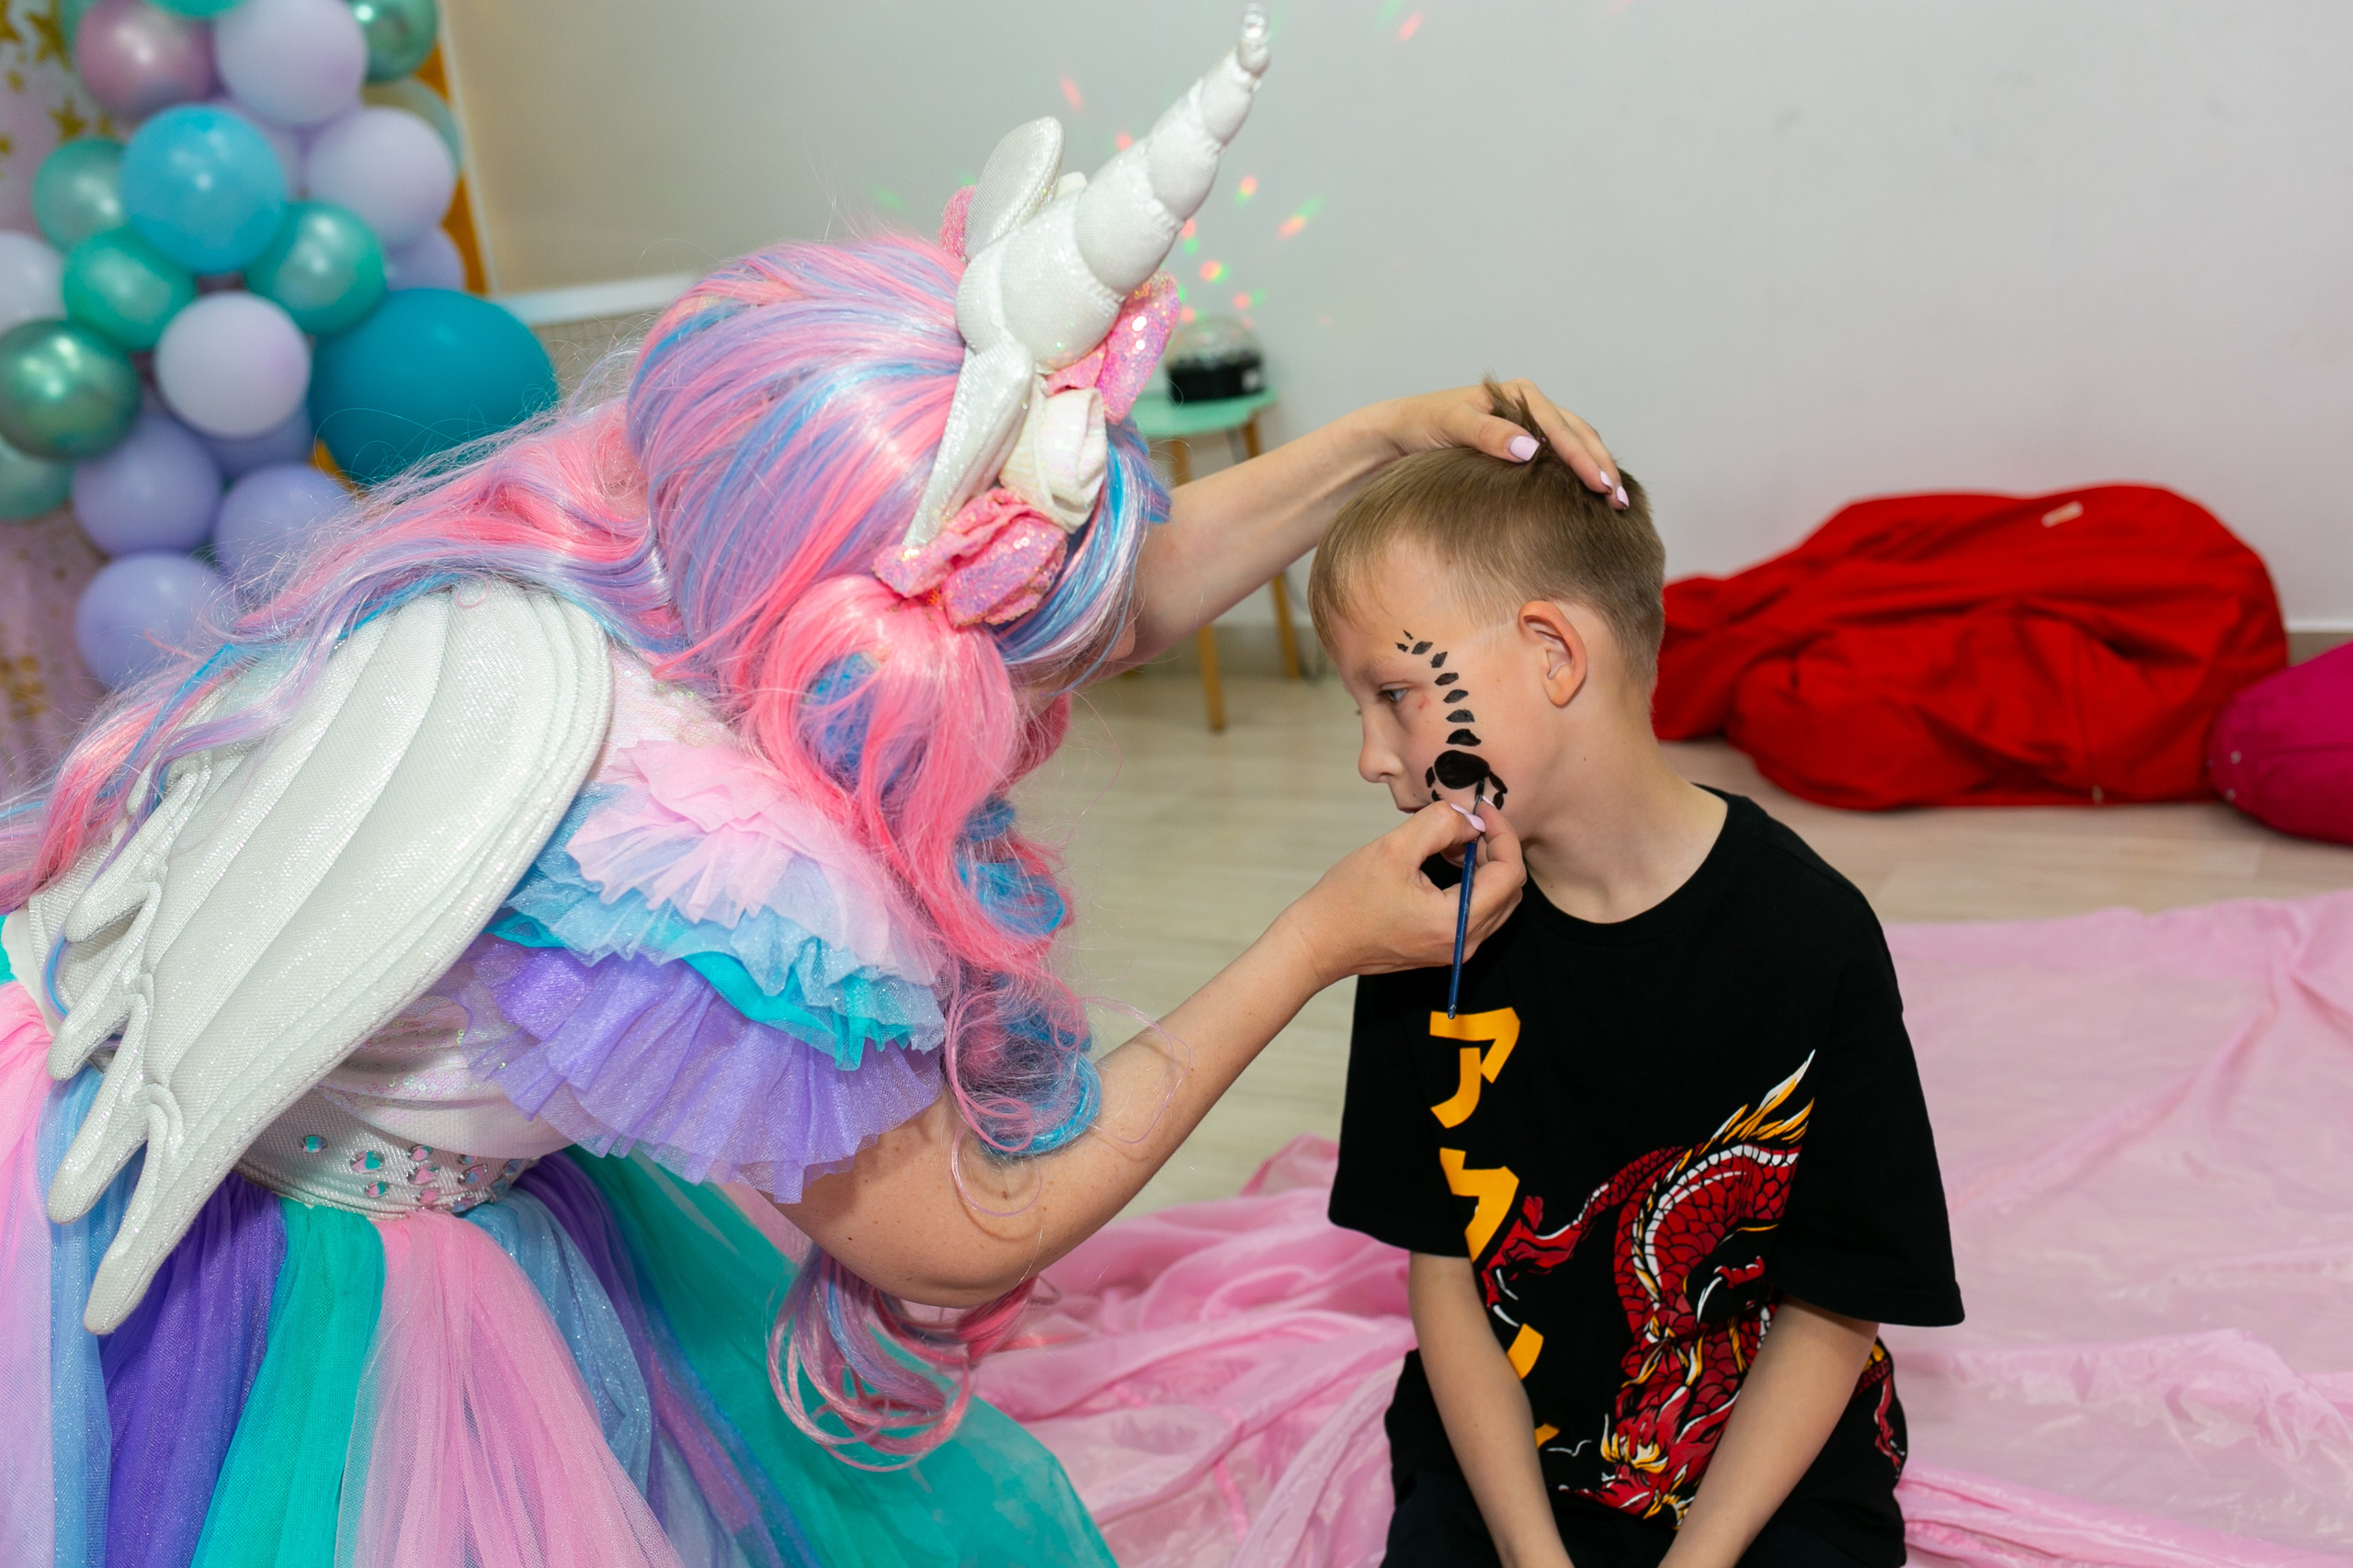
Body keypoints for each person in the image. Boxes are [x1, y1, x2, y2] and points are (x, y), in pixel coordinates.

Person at [0, 18, 1617, 1567]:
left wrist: (1380, 443)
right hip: (243, 1241)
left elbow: (1085, 594)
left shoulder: (656, 515)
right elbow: (963, 1231)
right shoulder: (706, 859)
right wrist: (1315, 941)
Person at [1312, 385, 1965, 1568]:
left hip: (1764, 1468)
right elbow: (1445, 1270)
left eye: (1393, 695)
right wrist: (1529, 1549)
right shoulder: (1423, 927)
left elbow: (1832, 1301)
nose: (1371, 755)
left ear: (1554, 651)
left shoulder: (1808, 937)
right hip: (1505, 1454)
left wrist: (1700, 1559)